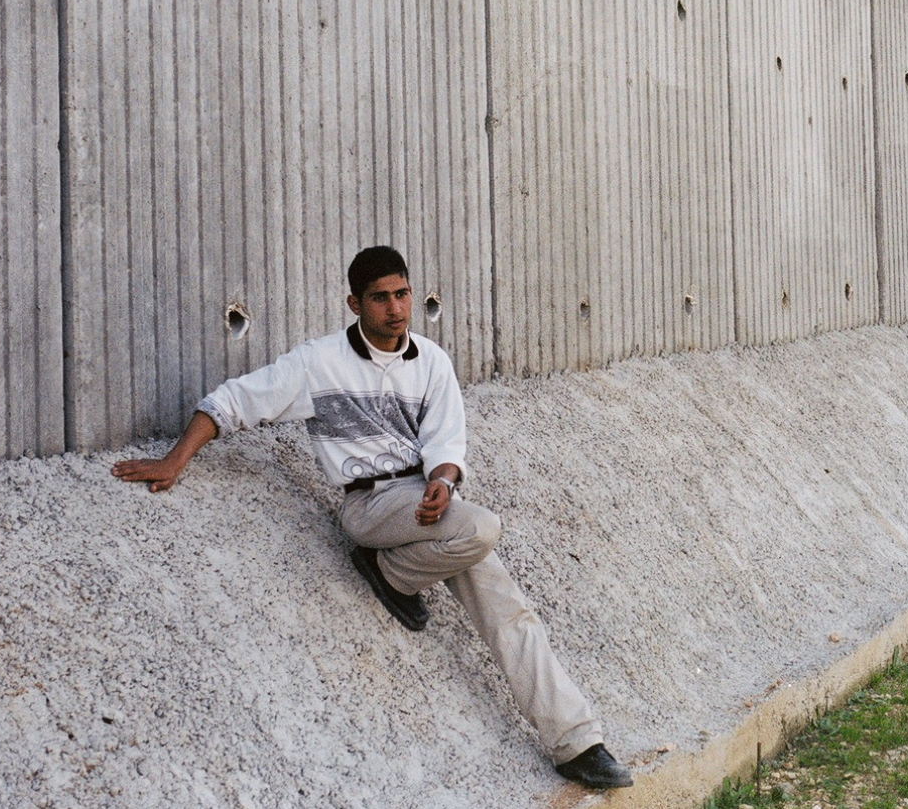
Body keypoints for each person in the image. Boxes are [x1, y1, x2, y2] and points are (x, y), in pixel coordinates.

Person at [112, 245, 633, 790]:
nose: (395, 308)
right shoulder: (319, 362)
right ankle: (388, 569)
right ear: (355, 303)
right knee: (481, 529)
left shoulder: (432, 360)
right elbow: (232, 402)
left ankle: (577, 743)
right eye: (380, 298)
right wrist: (176, 459)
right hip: (368, 506)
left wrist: (442, 480)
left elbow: (447, 440)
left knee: (510, 611)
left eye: (402, 294)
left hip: (427, 499)